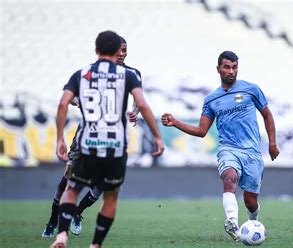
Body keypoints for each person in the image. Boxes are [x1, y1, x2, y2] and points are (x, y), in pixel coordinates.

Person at [50, 30, 164, 248]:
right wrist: (157, 136)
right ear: (117, 51)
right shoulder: (128, 75)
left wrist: (59, 140)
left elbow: (63, 103)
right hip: (115, 147)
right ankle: (95, 245)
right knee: (110, 196)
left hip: (87, 144)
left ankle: (62, 235)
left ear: (96, 50)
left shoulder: (82, 74)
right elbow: (142, 104)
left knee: (72, 189)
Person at [161, 51, 279, 241]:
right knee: (229, 178)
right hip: (228, 149)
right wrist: (176, 122)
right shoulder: (212, 99)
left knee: (250, 201)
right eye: (227, 67)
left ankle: (252, 222)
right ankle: (232, 221)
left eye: (234, 67)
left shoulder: (251, 90)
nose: (231, 71)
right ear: (218, 69)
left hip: (252, 152)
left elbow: (267, 115)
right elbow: (201, 131)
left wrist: (272, 143)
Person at [42, 37, 140, 238]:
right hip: (86, 135)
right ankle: (53, 220)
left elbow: (139, 100)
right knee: (68, 180)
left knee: (102, 185)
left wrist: (134, 112)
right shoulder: (89, 72)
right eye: (118, 50)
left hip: (113, 137)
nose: (122, 54)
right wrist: (79, 101)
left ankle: (77, 212)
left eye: (125, 50)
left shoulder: (132, 73)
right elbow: (71, 98)